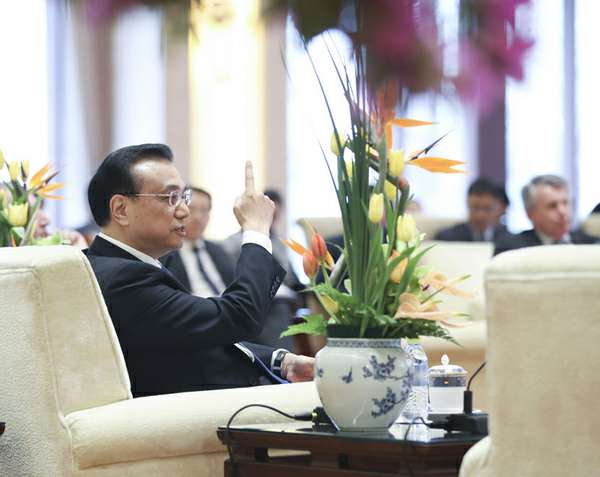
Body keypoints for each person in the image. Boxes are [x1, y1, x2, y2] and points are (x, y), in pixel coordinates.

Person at [84, 143, 314, 397]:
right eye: (170, 198)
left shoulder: (118, 265)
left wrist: (281, 361)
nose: (184, 211)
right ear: (121, 210)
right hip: (195, 410)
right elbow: (237, 316)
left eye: (183, 197)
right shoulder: (123, 278)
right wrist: (257, 230)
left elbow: (198, 338)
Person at [222, 189, 305, 349]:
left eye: (276, 215)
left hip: (285, 298)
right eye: (270, 214)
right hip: (258, 298)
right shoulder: (232, 244)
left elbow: (292, 277)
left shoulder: (280, 243)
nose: (272, 219)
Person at [494, 174, 598, 255]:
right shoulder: (510, 250)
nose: (562, 211)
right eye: (552, 206)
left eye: (565, 203)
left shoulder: (592, 246)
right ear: (530, 214)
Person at [161, 187, 234, 296]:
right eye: (191, 209)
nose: (198, 217)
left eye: (204, 211)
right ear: (178, 212)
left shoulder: (218, 250)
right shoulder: (164, 253)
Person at [435, 178, 510, 242]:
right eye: (475, 207)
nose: (480, 215)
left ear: (500, 208)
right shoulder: (446, 238)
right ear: (467, 204)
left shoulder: (509, 240)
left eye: (487, 208)